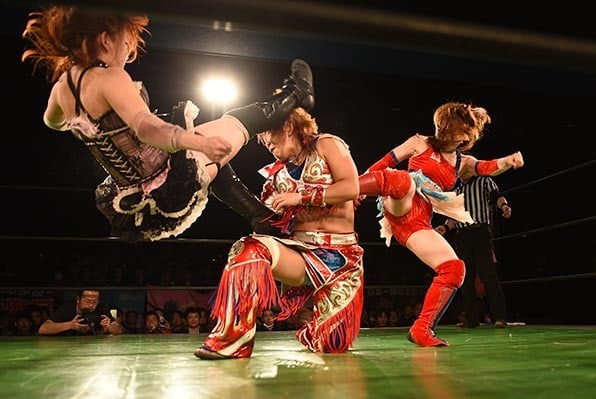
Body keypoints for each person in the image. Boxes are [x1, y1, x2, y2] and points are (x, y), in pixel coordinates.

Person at [21, 4, 314, 242]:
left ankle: (262, 219)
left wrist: (86, 127)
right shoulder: (109, 77)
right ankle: (298, 93)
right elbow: (146, 128)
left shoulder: (63, 87)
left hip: (136, 202)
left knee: (212, 160)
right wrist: (193, 141)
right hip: (170, 181)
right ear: (105, 39)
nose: (127, 52)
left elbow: (53, 123)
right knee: (239, 121)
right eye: (126, 43)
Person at [194, 107, 364, 360]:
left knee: (332, 344)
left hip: (340, 258)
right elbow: (270, 223)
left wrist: (299, 197)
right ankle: (233, 339)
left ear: (286, 127)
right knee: (248, 249)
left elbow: (351, 187)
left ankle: (316, 324)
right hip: (300, 254)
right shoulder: (276, 175)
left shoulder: (327, 144)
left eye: (267, 134)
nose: (264, 142)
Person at [358, 101, 524, 347]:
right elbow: (384, 163)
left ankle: (422, 329)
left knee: (455, 268)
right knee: (405, 181)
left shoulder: (462, 163)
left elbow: (486, 167)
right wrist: (357, 188)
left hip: (418, 224)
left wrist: (508, 161)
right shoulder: (418, 142)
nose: (444, 133)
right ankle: (338, 192)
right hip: (400, 204)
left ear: (463, 136)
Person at [435, 175, 511, 328]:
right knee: (466, 277)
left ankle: (499, 317)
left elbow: (496, 196)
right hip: (463, 236)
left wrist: (504, 206)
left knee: (487, 273)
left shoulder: (484, 181)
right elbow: (454, 216)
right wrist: (446, 227)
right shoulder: (457, 190)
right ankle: (471, 319)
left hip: (481, 231)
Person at [38, 290, 123, 335]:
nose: (91, 305)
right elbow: (43, 329)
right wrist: (70, 325)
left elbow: (118, 330)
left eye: (94, 302)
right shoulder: (69, 307)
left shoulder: (100, 308)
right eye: (87, 301)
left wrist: (109, 327)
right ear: (78, 300)